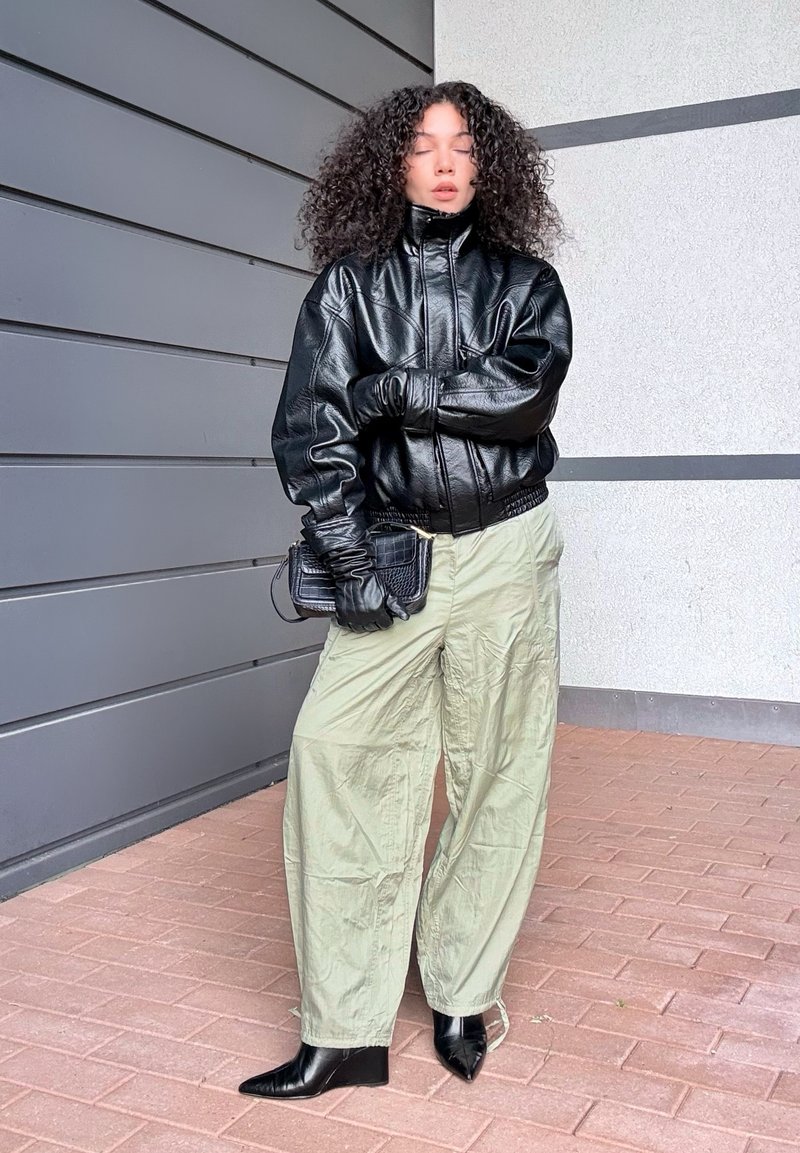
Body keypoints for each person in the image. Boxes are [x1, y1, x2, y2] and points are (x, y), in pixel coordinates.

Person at [238, 79, 572, 1101]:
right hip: (392, 547)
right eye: (422, 146)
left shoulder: (526, 283)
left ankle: (464, 993)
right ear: (389, 165)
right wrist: (349, 550)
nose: (441, 162)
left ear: (488, 168)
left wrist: (399, 391)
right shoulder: (345, 289)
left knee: (498, 773)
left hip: (508, 550)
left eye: (462, 147)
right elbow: (313, 430)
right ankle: (342, 1029)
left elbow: (522, 393)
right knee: (335, 754)